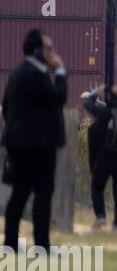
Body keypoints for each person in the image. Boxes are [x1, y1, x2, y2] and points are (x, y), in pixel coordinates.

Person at [2, 29, 68, 253]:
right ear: (36, 50)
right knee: (43, 193)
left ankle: (10, 243)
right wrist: (60, 72)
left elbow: (7, 108)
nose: (53, 54)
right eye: (49, 49)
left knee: (20, 192)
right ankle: (42, 245)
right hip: (38, 145)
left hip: (17, 143)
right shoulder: (35, 75)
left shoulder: (17, 73)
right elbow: (59, 97)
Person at [82, 83, 117, 230]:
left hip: (103, 158)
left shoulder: (103, 111)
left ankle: (101, 216)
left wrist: (96, 92)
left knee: (97, 187)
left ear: (109, 96)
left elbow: (87, 102)